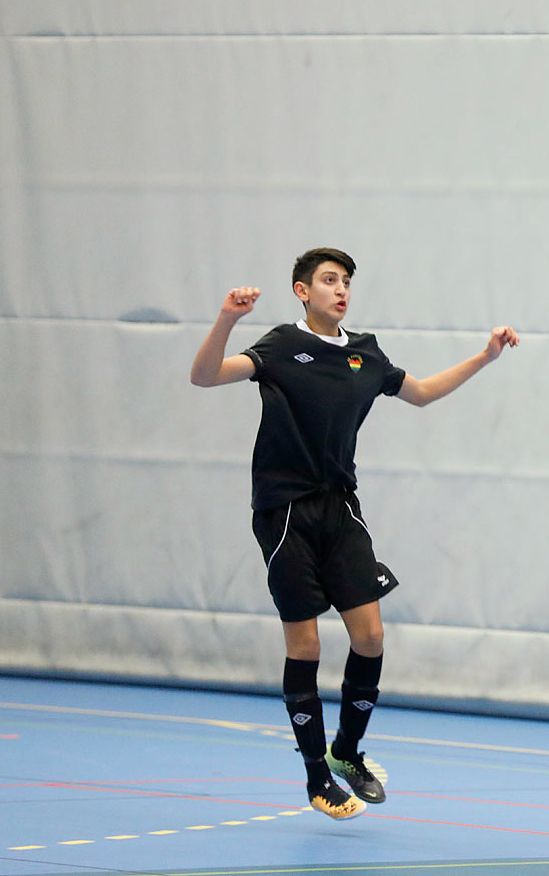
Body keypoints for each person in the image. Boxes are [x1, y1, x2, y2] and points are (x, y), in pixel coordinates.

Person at [190, 247, 518, 820]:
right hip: (285, 511)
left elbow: (420, 392)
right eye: (328, 280)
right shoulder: (277, 346)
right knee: (307, 646)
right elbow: (204, 376)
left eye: (346, 282)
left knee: (369, 636)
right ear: (302, 291)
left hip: (341, 509)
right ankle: (317, 776)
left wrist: (485, 357)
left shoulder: (364, 353)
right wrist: (227, 319)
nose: (341, 290)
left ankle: (346, 751)